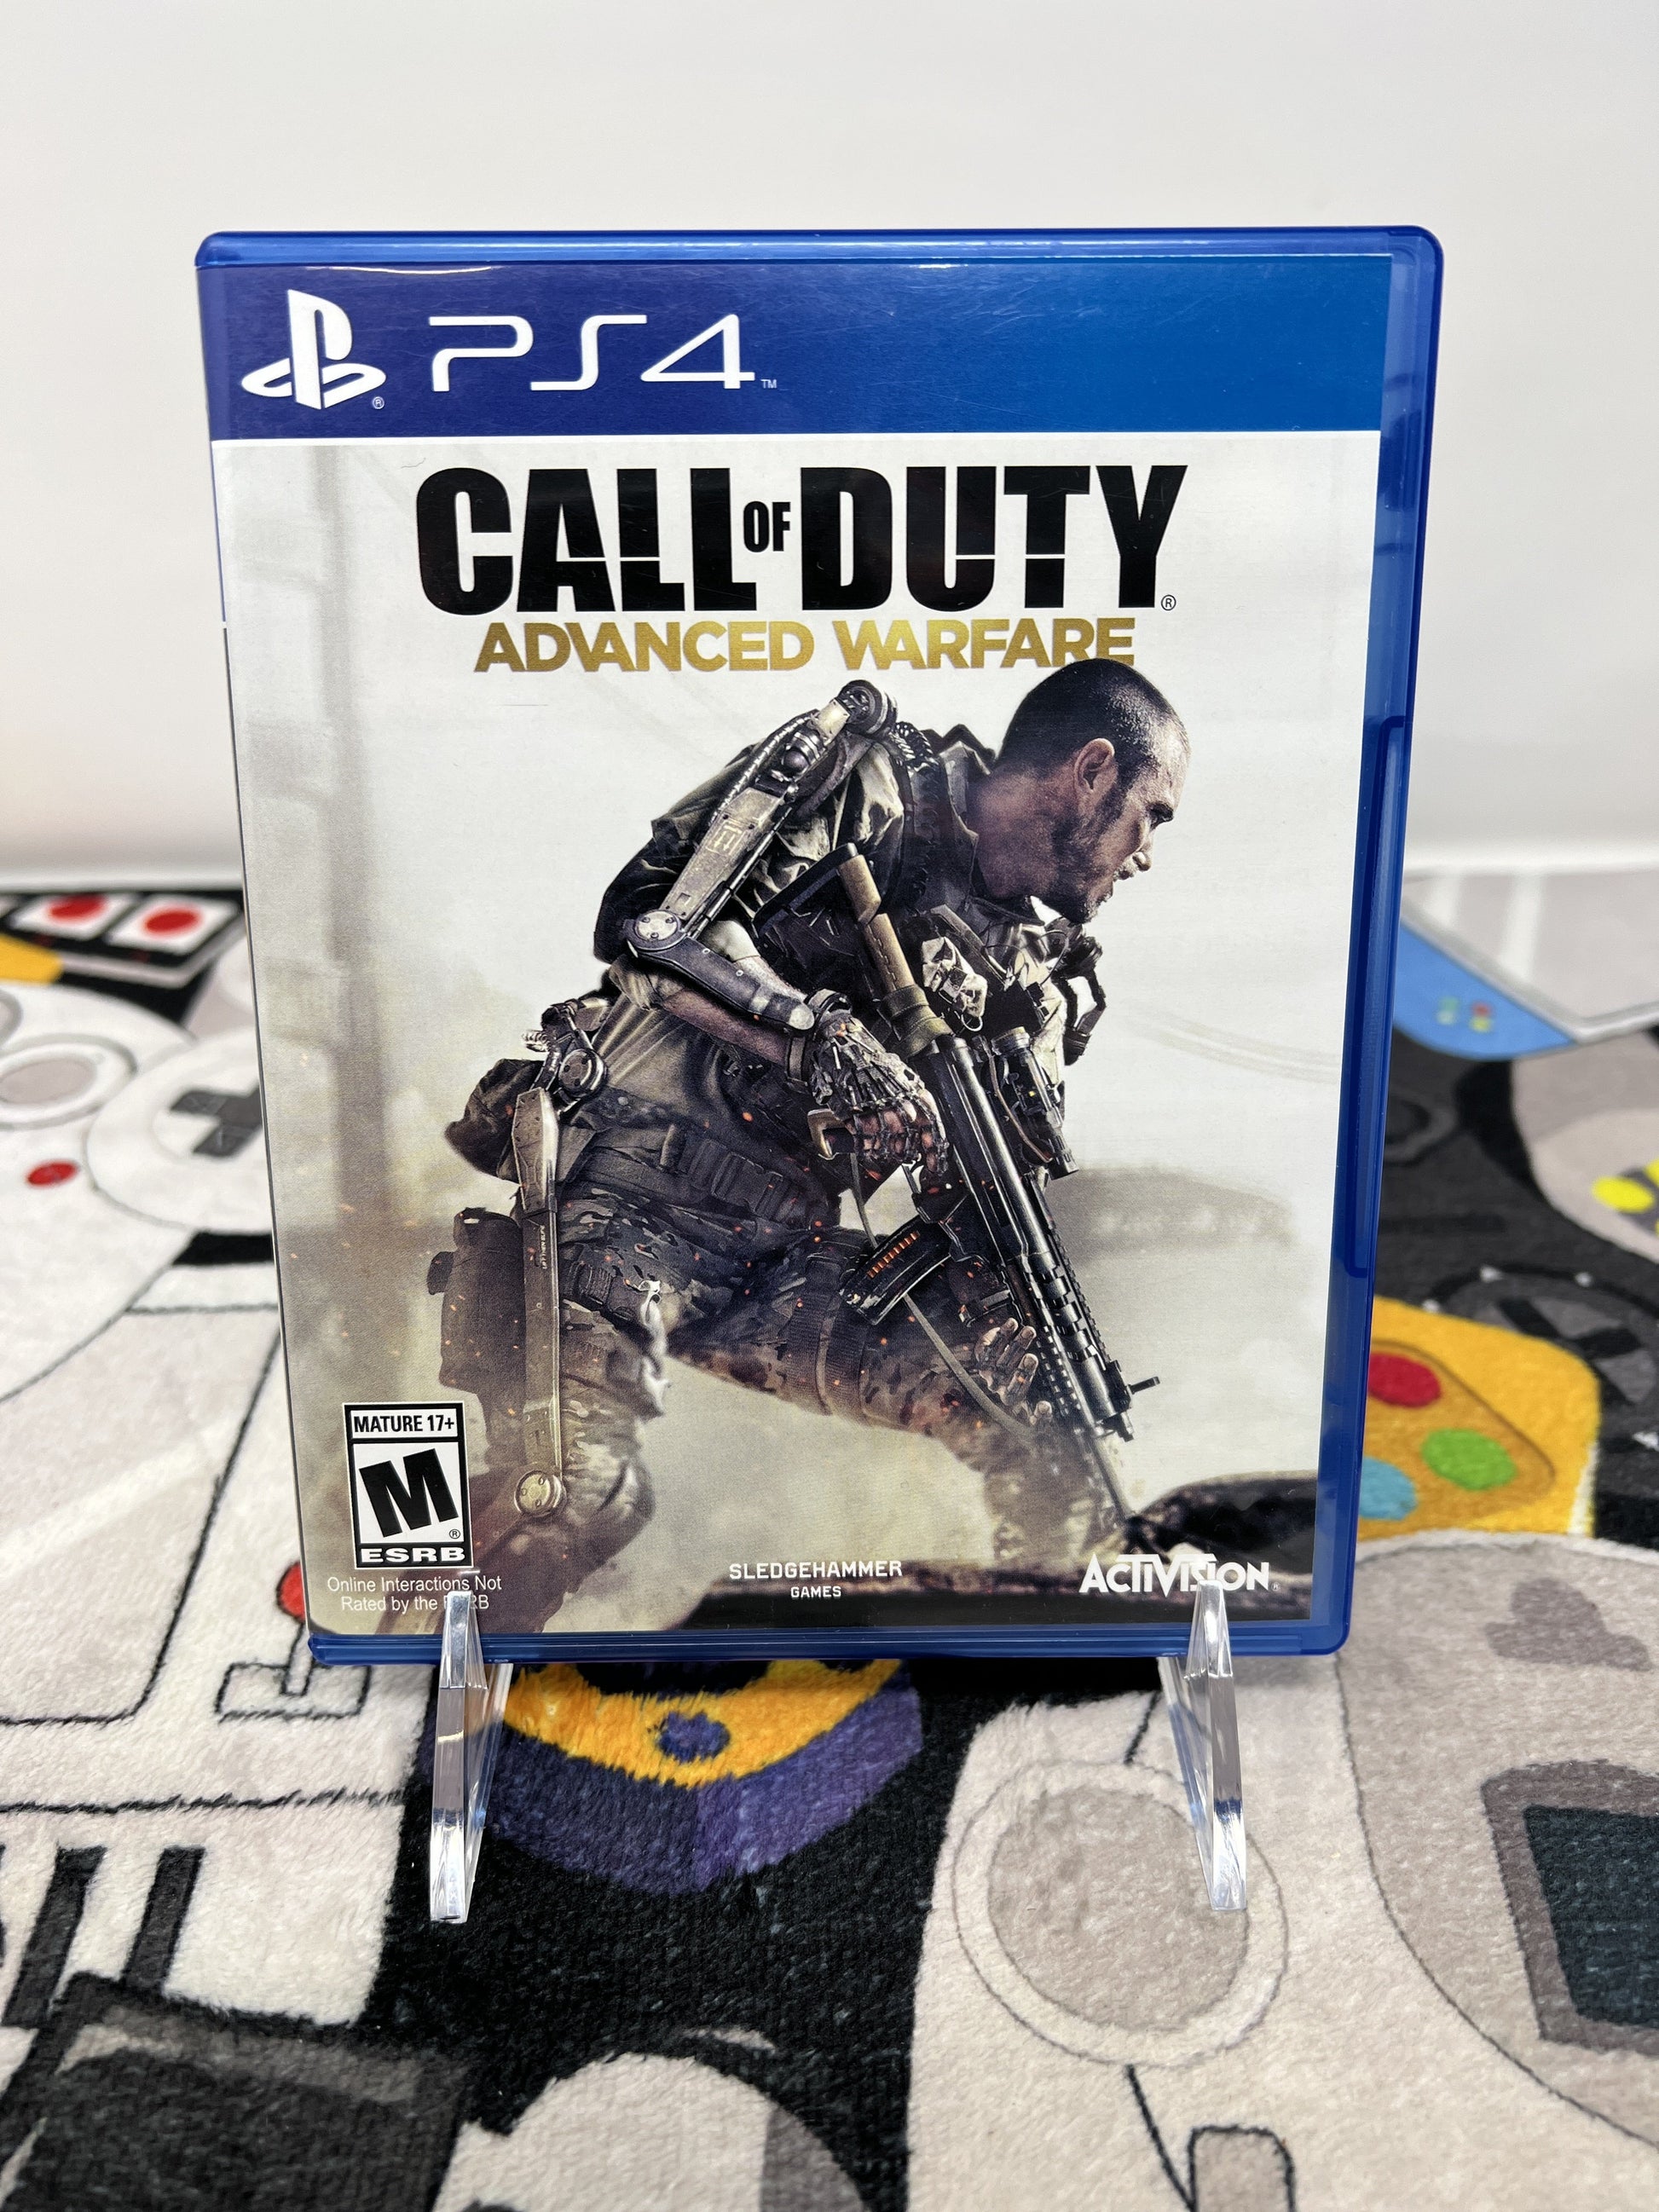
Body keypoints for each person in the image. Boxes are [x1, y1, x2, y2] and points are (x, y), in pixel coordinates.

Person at [440, 657, 1189, 1628]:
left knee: (1049, 1421)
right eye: (1152, 815)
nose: (1146, 854)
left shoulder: (1031, 983)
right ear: (1091, 770)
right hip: (626, 1204)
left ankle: (1045, 1654)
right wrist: (817, 1037)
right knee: (573, 1499)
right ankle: (418, 1653)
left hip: (779, 1259)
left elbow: (984, 1201)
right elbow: (650, 923)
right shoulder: (872, 782)